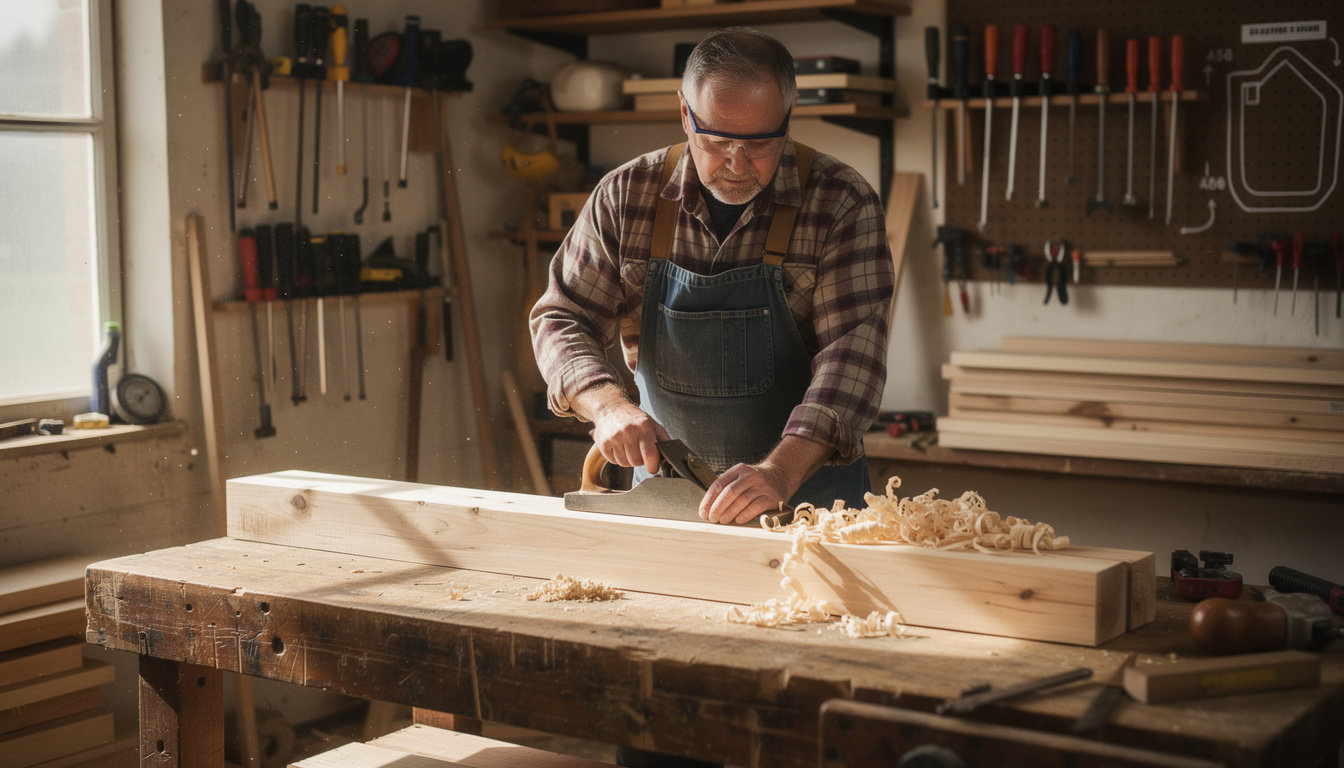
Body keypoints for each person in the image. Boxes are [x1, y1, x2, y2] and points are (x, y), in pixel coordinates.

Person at [530, 27, 893, 529]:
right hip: (670, 496)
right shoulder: (624, 197)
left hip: (810, 503)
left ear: (788, 118)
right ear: (685, 114)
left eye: (761, 143)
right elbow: (561, 316)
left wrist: (778, 473)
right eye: (718, 140)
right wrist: (607, 405)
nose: (738, 165)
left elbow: (852, 364)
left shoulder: (842, 204)